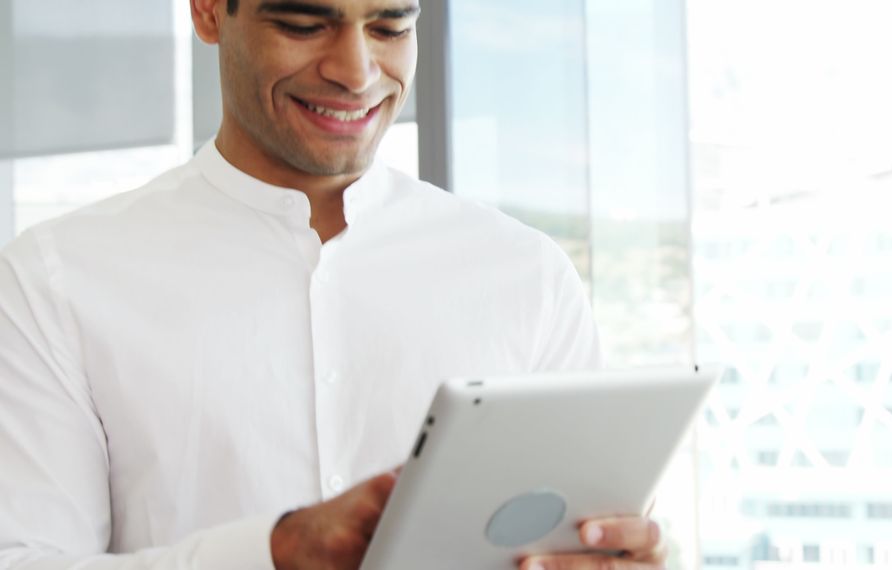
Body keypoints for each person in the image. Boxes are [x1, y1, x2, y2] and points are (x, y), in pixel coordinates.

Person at [0, 0, 668, 568]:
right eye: (303, 24)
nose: (355, 73)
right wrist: (272, 551)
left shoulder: (528, 276)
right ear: (208, 10)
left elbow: (575, 536)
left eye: (389, 27)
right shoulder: (56, 281)